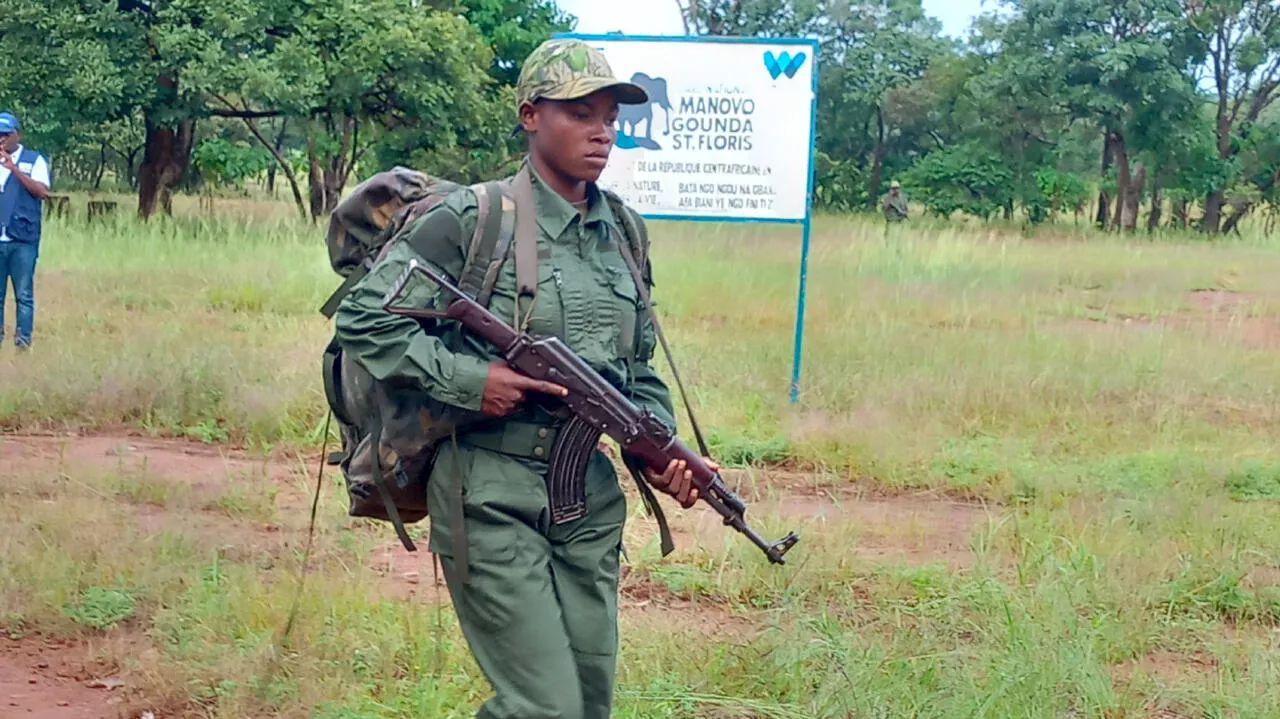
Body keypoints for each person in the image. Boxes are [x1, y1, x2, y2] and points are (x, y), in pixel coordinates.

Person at [334, 38, 714, 719]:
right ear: (530, 115)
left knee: (588, 704)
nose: (602, 130)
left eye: (610, 116)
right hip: (487, 491)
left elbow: (636, 368)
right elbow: (366, 317)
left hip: (585, 502)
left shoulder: (622, 229)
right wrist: (470, 378)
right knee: (544, 706)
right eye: (580, 112)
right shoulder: (475, 219)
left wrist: (659, 448)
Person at [0, 111, 51, 350]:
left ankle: (22, 343)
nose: (1, 139)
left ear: (17, 135)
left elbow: (42, 192)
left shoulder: (34, 160)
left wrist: (14, 169)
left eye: (6, 134)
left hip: (23, 239)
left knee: (23, 295)